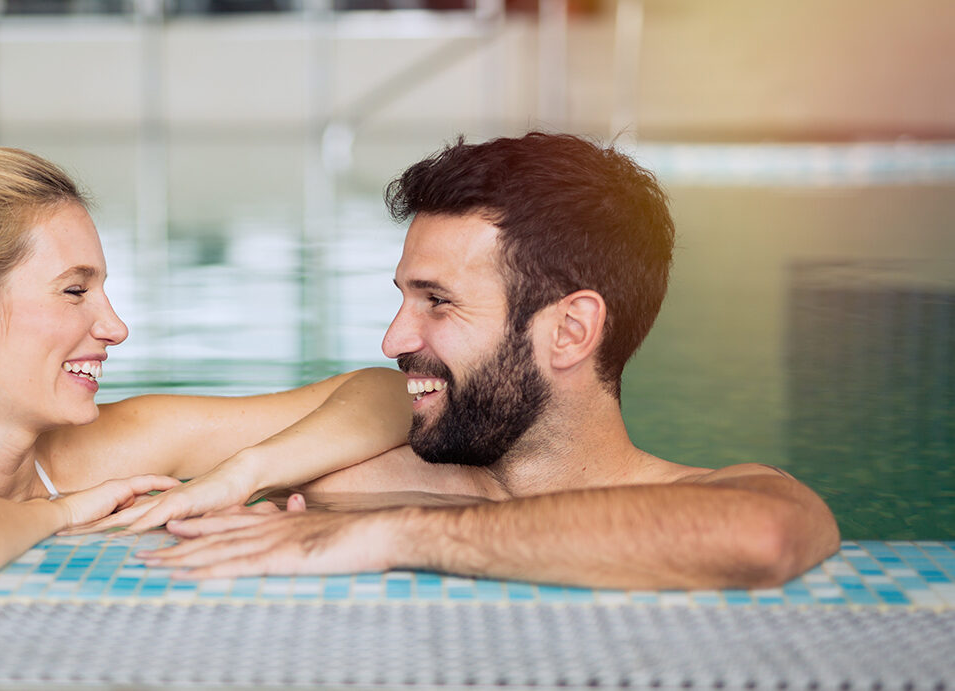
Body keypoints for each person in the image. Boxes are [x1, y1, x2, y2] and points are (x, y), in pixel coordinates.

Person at [137, 133, 841, 590]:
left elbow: (765, 537)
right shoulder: (358, 471)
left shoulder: (722, 497)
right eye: (405, 297)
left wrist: (388, 534)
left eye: (437, 301)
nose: (392, 338)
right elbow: (127, 452)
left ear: (570, 330)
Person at [0, 147, 412, 595]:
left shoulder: (119, 446)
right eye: (74, 290)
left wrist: (236, 477)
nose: (115, 326)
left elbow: (390, 394)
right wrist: (58, 516)